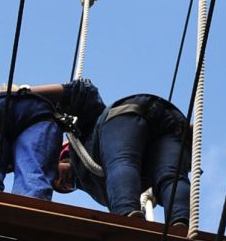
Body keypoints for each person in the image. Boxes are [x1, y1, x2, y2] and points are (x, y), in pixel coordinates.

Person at [52, 94, 192, 230]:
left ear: (60, 155)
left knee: (123, 161)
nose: (59, 183)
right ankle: (180, 225)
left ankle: (127, 218)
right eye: (61, 189)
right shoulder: (96, 188)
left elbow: (83, 93)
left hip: (126, 116)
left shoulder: (78, 142)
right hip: (168, 122)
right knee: (171, 177)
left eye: (55, 176)